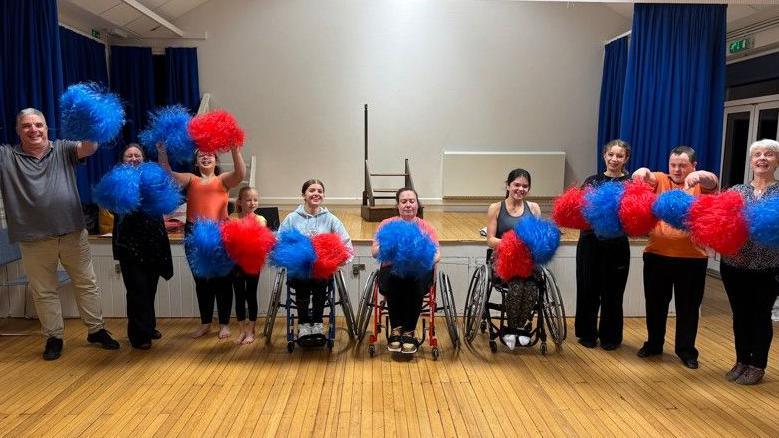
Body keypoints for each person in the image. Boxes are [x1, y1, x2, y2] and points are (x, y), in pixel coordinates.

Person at [0, 108, 119, 360]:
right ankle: (53, 337)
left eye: (38, 124)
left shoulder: (63, 148)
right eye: (26, 126)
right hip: (33, 239)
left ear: (46, 127)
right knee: (44, 291)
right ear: (18, 130)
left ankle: (96, 330)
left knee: (86, 283)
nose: (33, 130)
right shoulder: (6, 156)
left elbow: (89, 148)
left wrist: (89, 121)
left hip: (72, 232)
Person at [632, 145, 718, 369]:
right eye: (673, 165)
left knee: (688, 308)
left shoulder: (701, 184)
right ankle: (654, 344)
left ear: (693, 165)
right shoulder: (661, 179)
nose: (677, 170)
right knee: (655, 305)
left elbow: (712, 181)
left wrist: (700, 175)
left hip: (693, 259)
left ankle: (686, 351)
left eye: (683, 165)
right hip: (657, 256)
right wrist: (641, 171)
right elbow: (646, 176)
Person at [157, 143, 246, 339]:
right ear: (196, 162)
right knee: (201, 280)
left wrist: (235, 150)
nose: (206, 157)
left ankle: (224, 324)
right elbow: (167, 174)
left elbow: (240, 174)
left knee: (223, 280)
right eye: (201, 156)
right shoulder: (191, 179)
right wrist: (162, 151)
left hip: (220, 232)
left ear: (215, 160)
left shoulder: (223, 180)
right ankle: (205, 323)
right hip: (194, 234)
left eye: (210, 155)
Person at [720, 139, 779, 385]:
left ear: (777, 161)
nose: (762, 158)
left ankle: (757, 364)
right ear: (751, 160)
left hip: (768, 267)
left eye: (769, 154)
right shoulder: (736, 191)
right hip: (734, 265)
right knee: (740, 314)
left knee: (761, 315)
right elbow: (719, 221)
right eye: (757, 154)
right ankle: (742, 360)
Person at [111, 144, 173, 349]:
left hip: (153, 243)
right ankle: (138, 335)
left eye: (137, 155)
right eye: (129, 155)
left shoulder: (152, 177)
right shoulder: (116, 180)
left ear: (144, 159)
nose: (133, 158)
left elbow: (167, 182)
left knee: (150, 288)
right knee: (137, 290)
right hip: (130, 245)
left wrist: (162, 152)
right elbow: (113, 207)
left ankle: (148, 326)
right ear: (122, 160)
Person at [575, 139, 631, 351]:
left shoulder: (630, 184)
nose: (614, 159)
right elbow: (580, 210)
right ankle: (587, 333)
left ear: (626, 159)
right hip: (590, 243)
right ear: (604, 156)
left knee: (613, 292)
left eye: (619, 156)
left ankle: (611, 337)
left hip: (616, 244)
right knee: (587, 288)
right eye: (611, 155)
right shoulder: (591, 181)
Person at [278, 179, 352, 338]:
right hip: (300, 271)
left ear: (324, 195)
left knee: (320, 281)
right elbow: (279, 242)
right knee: (302, 281)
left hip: (322, 270)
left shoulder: (331, 219)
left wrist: (339, 261)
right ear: (303, 195)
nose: (316, 193)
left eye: (320, 191)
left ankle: (318, 323)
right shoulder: (292, 218)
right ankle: (303, 324)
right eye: (312, 190)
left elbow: (346, 242)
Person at [372, 188, 440, 354]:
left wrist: (421, 257)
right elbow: (374, 252)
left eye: (412, 201)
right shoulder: (386, 224)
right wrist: (391, 249)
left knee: (415, 280)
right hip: (392, 271)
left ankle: (409, 330)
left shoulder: (426, 227)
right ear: (398, 205)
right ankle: (396, 329)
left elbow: (437, 254)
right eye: (404, 201)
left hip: (418, 272)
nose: (408, 205)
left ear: (417, 204)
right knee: (396, 277)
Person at [486, 169, 542, 350]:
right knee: (516, 285)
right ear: (508, 186)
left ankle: (520, 326)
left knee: (532, 286)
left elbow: (537, 238)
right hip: (504, 258)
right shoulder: (496, 208)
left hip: (526, 260)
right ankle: (511, 327)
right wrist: (513, 243)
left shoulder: (534, 208)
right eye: (516, 185)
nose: (520, 189)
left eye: (525, 186)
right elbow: (490, 240)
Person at [229, 186, 266, 345]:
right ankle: (242, 330)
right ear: (240, 202)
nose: (252, 203)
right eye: (248, 200)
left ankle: (251, 330)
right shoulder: (232, 218)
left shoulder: (260, 219)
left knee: (251, 294)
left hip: (252, 262)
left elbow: (259, 238)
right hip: (235, 263)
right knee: (239, 295)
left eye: (255, 200)